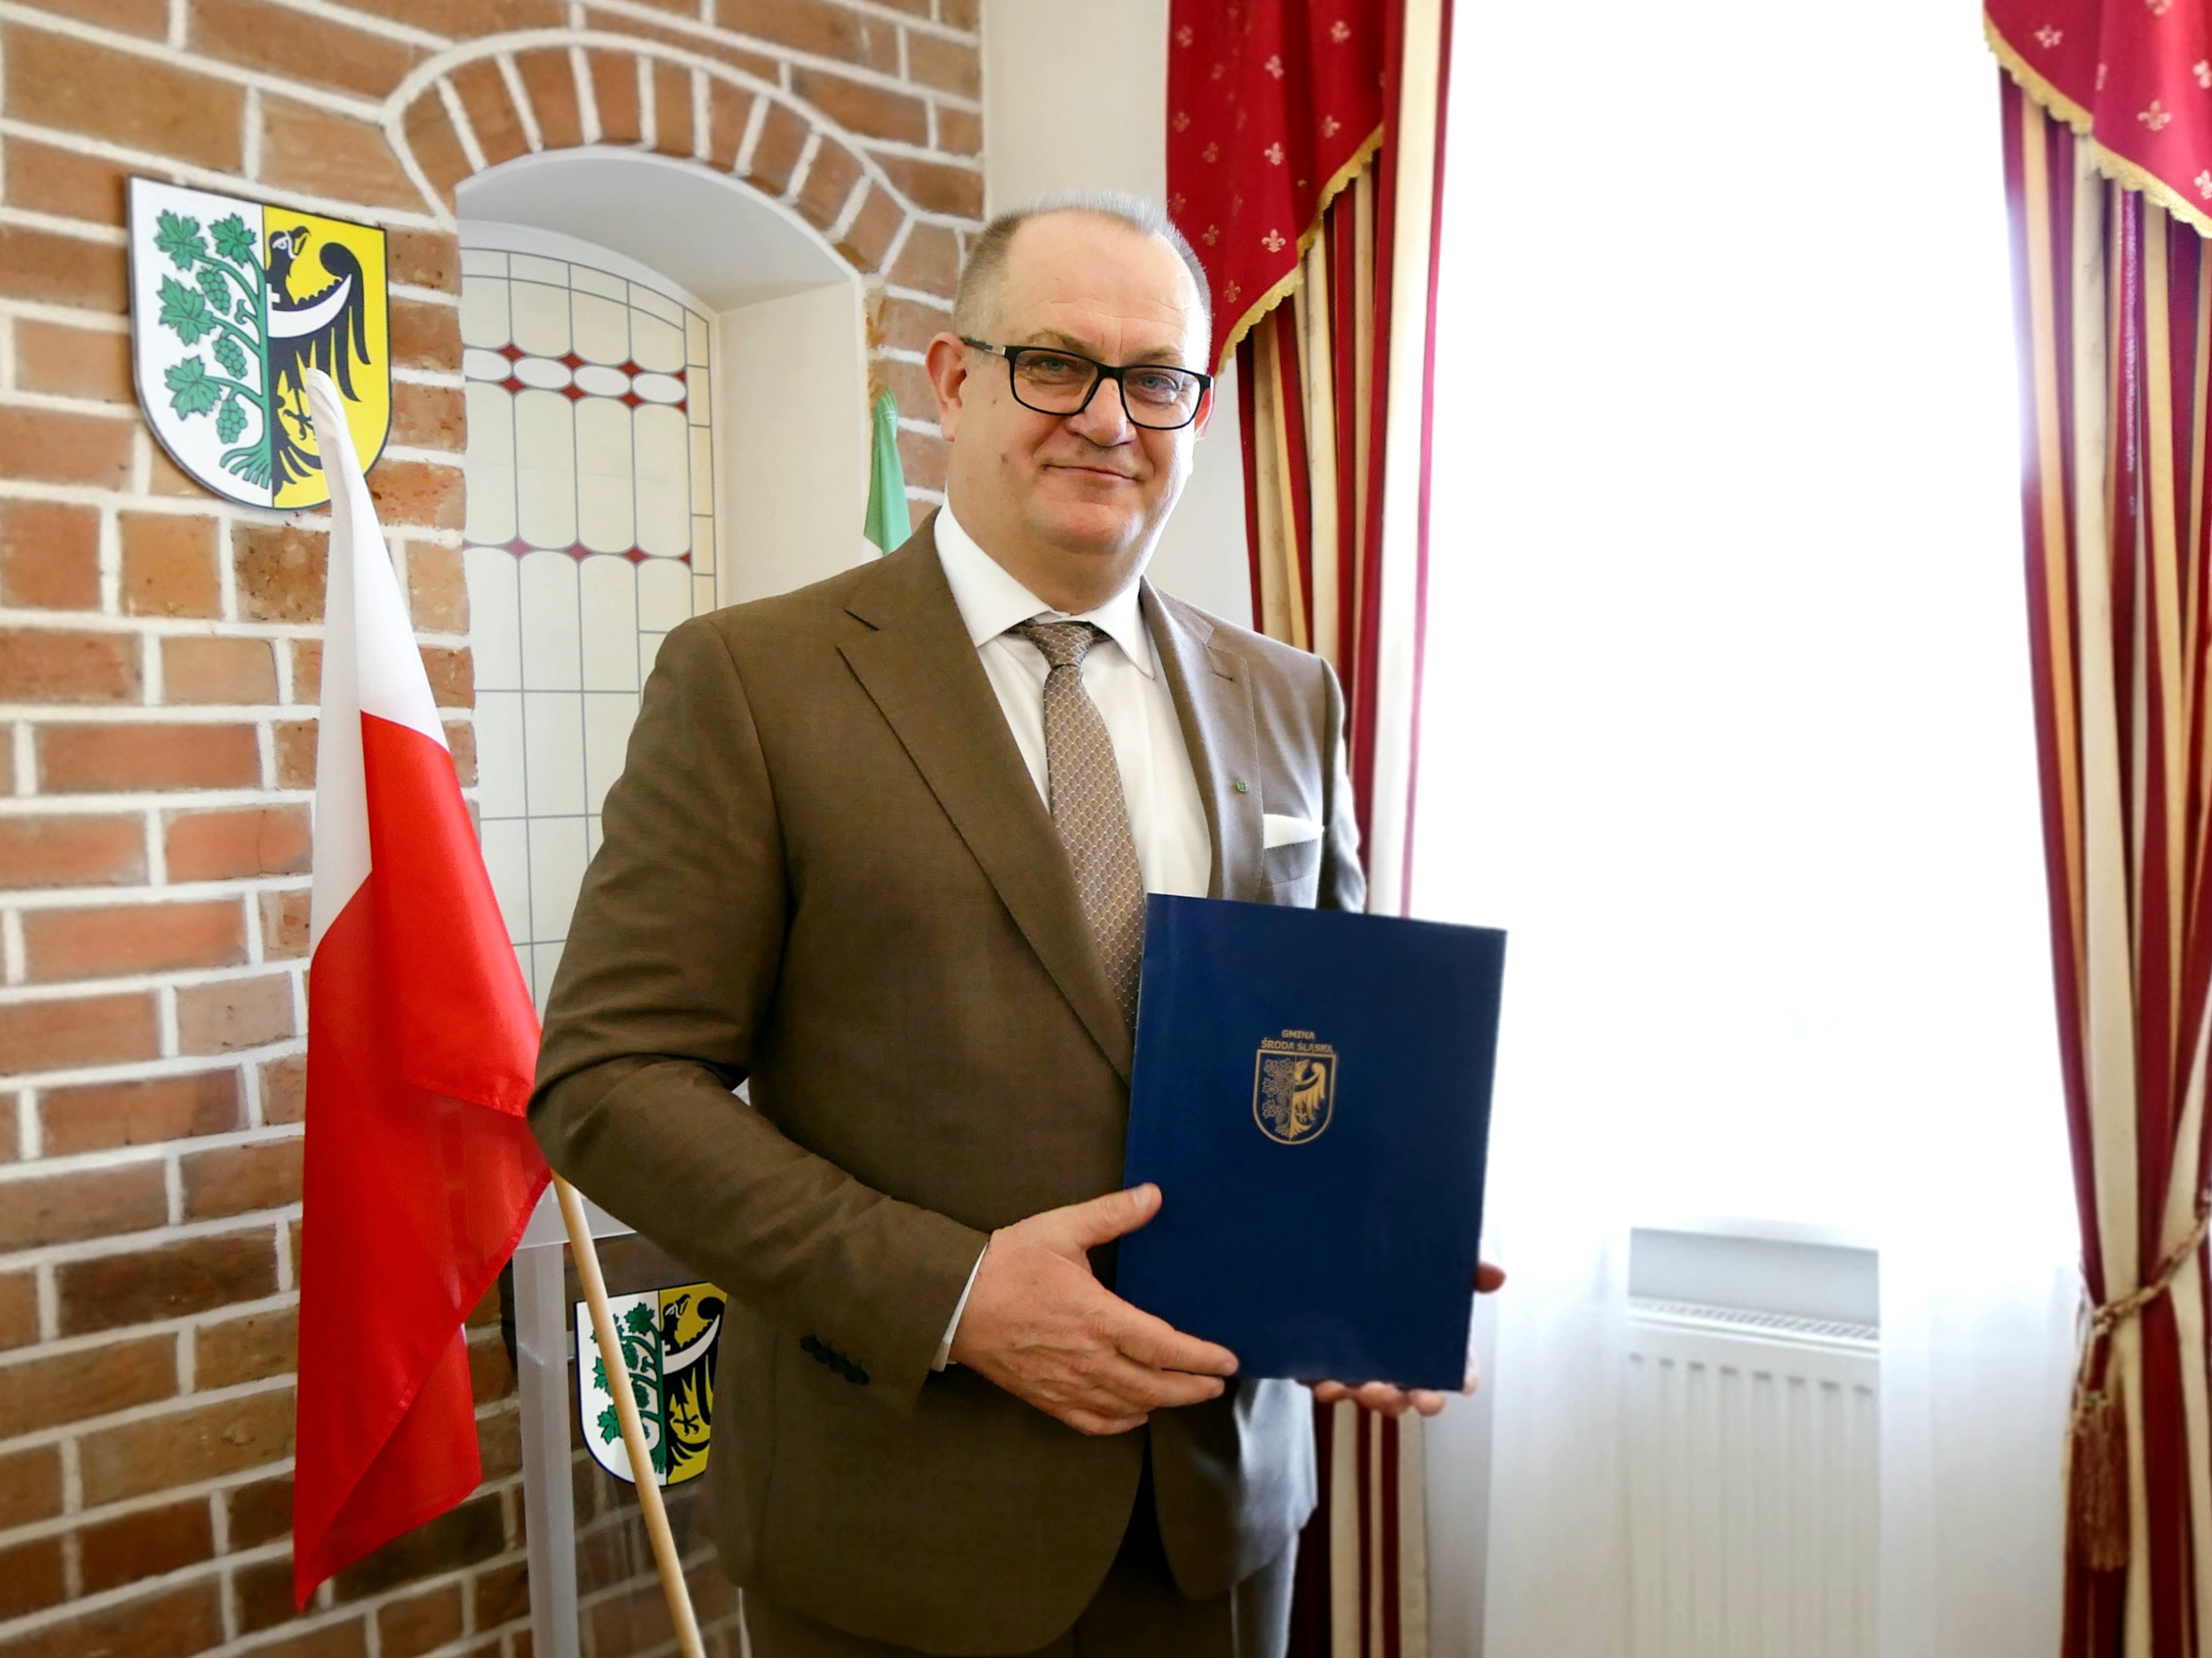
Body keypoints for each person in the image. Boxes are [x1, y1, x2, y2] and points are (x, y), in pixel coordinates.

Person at [531, 192, 1486, 1658]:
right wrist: (958, 1294)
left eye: (1156, 378)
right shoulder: (755, 682)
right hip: (897, 1533)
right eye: (1055, 363)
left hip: (1216, 1521)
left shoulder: (1287, 694)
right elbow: (607, 1081)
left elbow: (1319, 1031)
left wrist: (1370, 1238)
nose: (1107, 418)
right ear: (955, 378)